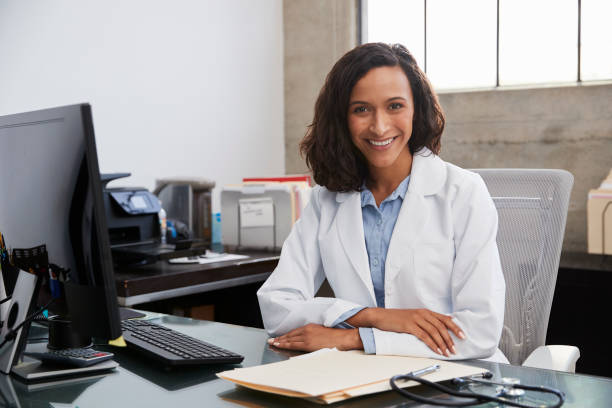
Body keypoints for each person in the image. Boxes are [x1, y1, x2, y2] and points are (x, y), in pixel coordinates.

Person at [257, 43, 507, 362]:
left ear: (417, 109)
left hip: (456, 375)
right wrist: (374, 317)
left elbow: (479, 332)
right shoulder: (327, 200)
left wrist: (353, 338)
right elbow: (276, 306)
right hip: (361, 377)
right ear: (342, 119)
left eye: (395, 106)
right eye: (361, 109)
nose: (379, 126)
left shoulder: (463, 192)